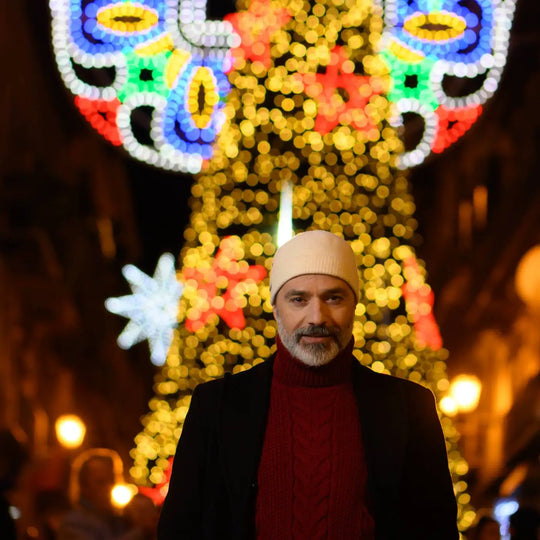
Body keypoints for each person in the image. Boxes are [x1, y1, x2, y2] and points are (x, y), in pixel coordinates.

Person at [158, 230, 459, 539]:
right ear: (276, 309)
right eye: (298, 299)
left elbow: (437, 530)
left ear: (353, 306)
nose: (317, 316)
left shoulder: (409, 407)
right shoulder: (217, 404)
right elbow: (180, 528)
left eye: (333, 298)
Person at [58, 453, 128, 540]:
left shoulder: (117, 521)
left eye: (112, 481)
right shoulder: (74, 524)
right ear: (84, 486)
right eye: (101, 482)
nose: (109, 488)